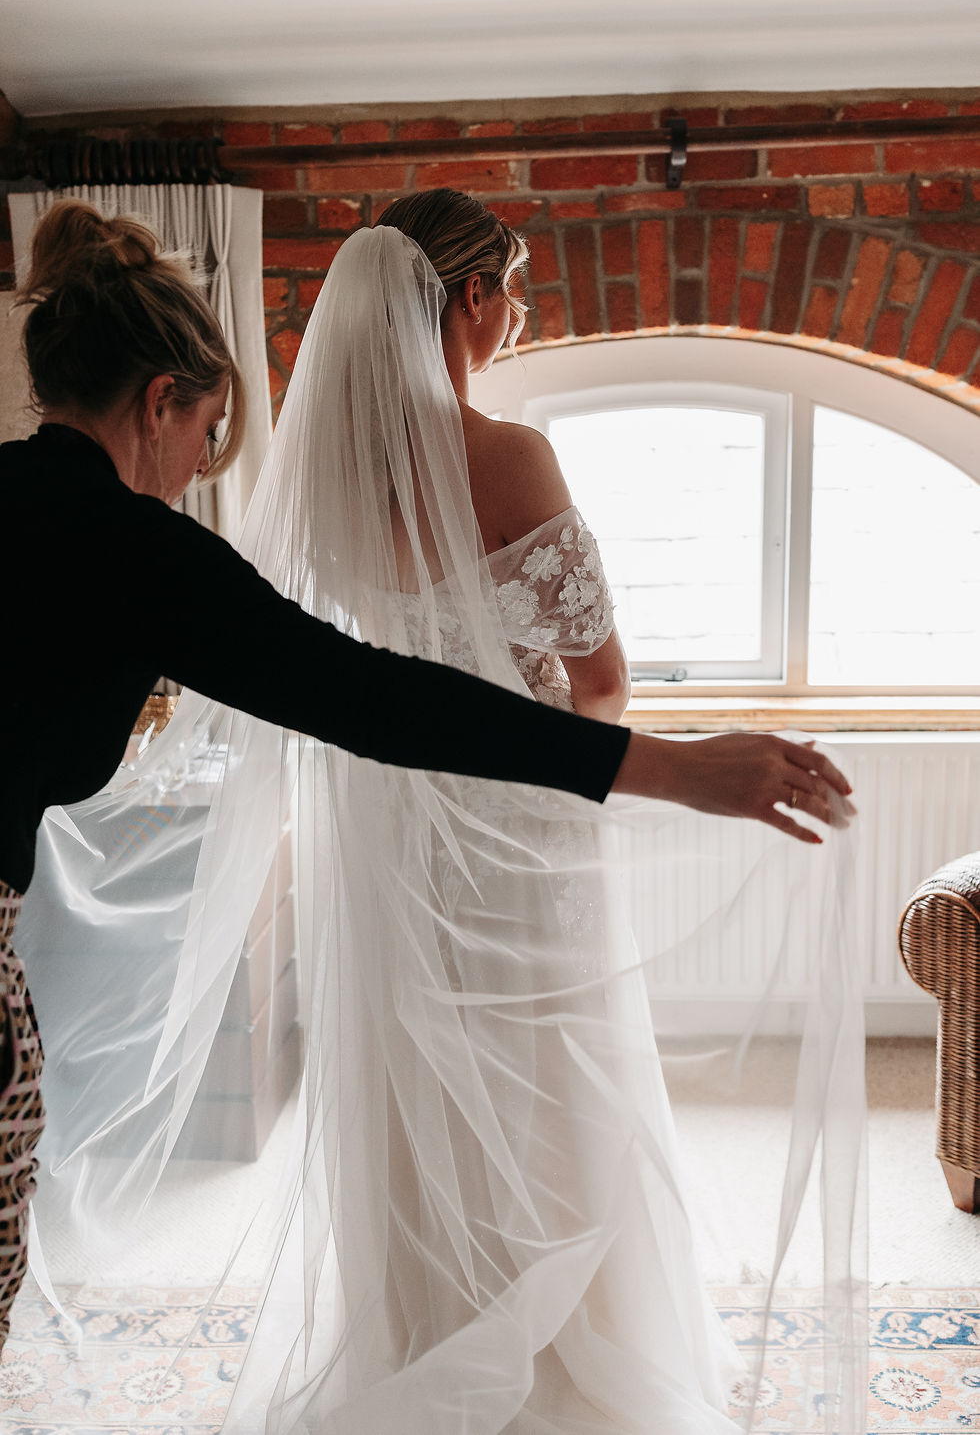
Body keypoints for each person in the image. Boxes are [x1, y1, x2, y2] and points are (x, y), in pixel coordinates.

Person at [0, 201, 852, 1362]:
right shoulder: (141, 550)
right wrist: (673, 772)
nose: (196, 473)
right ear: (158, 401)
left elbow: (374, 687)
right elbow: (382, 696)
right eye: (203, 440)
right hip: (501, 821)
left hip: (399, 841)